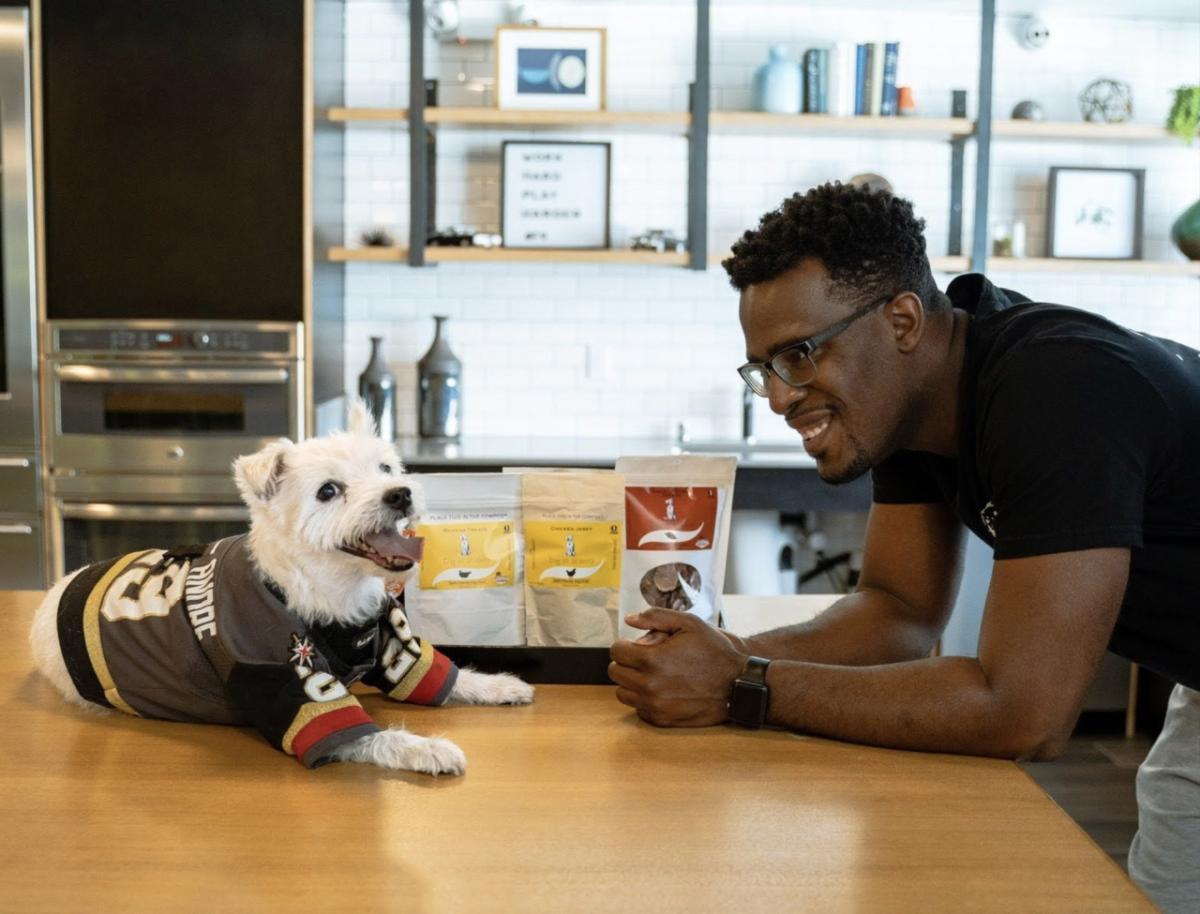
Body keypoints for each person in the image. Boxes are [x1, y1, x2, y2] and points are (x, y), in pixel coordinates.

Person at [608, 182, 1200, 914]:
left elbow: (1024, 712)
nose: (779, 396)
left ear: (903, 320)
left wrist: (742, 683)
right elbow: (896, 611)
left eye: (798, 354)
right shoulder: (916, 395)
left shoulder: (1057, 393)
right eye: (765, 366)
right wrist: (714, 656)